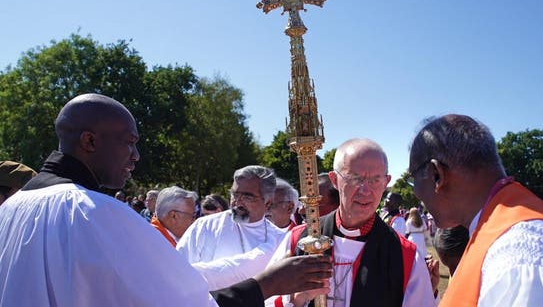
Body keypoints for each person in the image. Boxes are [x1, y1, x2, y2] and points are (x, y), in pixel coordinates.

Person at [0, 93, 333, 307]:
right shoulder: (95, 213)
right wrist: (268, 283)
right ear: (89, 140)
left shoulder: (10, 210)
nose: (136, 156)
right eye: (129, 142)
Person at [408, 114, 543, 306]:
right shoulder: (513, 238)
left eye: (413, 178)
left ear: (437, 175)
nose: (415, 191)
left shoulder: (518, 263)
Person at [268, 138, 434, 307]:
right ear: (334, 180)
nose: (365, 191)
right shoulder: (299, 239)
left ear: (386, 183)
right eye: (355, 178)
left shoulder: (405, 256)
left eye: (375, 180)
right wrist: (294, 301)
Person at [176, 165, 286, 291]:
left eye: (247, 196)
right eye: (234, 194)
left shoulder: (279, 240)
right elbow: (179, 273)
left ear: (268, 203)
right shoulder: (205, 226)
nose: (237, 202)